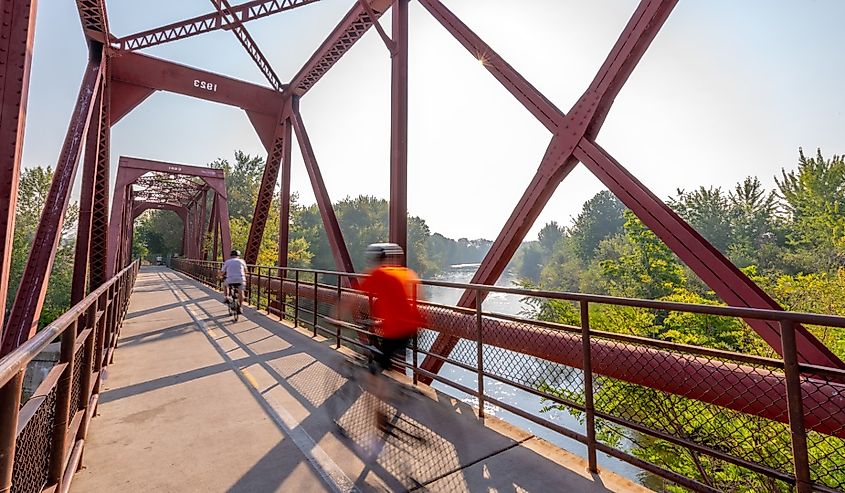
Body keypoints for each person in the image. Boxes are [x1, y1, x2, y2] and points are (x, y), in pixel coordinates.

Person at [338, 242, 425, 432]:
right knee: (387, 363)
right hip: (412, 329)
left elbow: (352, 298)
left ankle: (381, 417)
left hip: (394, 331)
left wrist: (335, 318)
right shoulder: (405, 273)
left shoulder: (378, 275)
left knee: (373, 374)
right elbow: (409, 301)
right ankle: (400, 393)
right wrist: (381, 321)